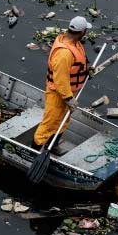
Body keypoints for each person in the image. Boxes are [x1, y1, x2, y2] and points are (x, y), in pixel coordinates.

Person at [32, 16, 92, 151]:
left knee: (63, 120)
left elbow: (77, 64)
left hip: (69, 92)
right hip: (58, 94)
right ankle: (33, 151)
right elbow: (60, 79)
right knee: (49, 123)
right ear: (82, 32)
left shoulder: (75, 43)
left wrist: (88, 70)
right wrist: (69, 98)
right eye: (86, 31)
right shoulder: (64, 53)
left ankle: (52, 146)